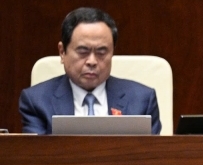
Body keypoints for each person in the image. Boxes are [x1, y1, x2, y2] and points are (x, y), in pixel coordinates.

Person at [19, 7, 162, 135]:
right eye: (83, 51)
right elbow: (37, 155)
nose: (92, 61)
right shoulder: (37, 101)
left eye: (101, 52)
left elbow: (151, 154)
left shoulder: (142, 100)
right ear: (62, 52)